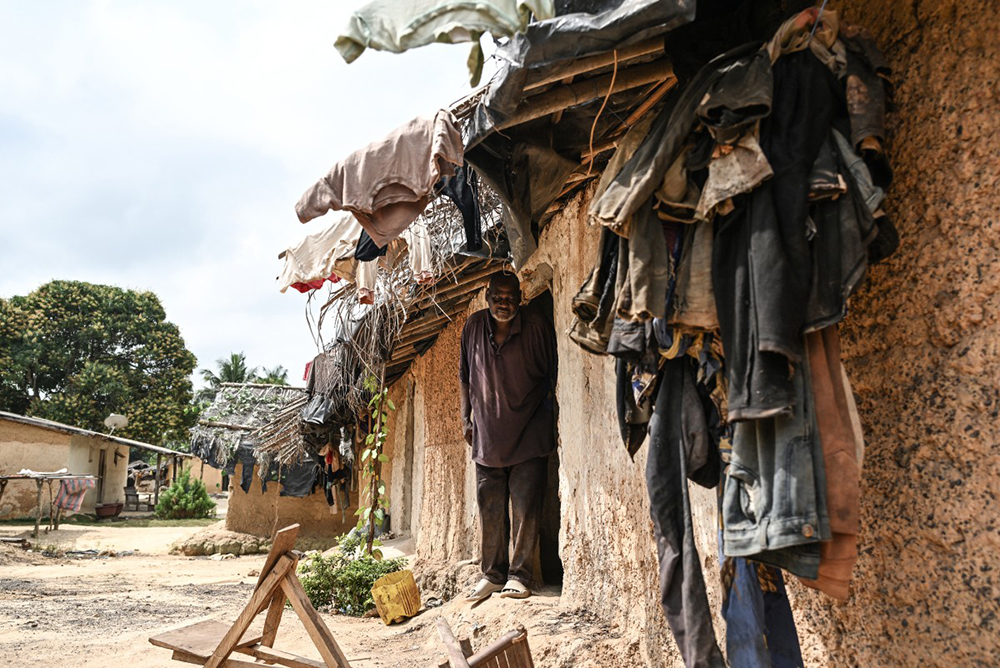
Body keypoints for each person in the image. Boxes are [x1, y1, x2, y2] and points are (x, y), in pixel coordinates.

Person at [459, 271, 558, 601]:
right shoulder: (473, 326)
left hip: (529, 430)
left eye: (511, 297)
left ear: (521, 297)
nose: (505, 304)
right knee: (490, 506)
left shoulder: (536, 325)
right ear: (487, 298)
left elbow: (552, 373)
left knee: (526, 507)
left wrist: (549, 414)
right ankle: (493, 574)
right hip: (486, 434)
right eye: (498, 298)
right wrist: (465, 418)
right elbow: (464, 376)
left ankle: (520, 575)